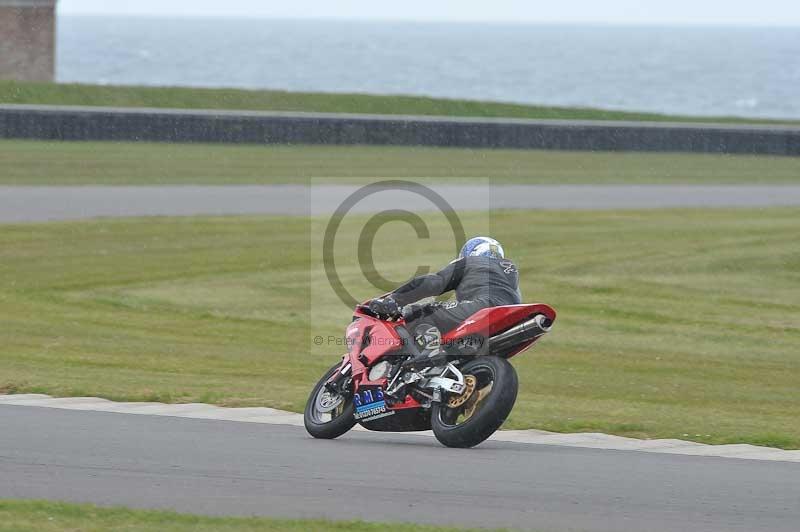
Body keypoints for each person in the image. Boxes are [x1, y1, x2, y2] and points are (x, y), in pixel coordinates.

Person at [368, 236, 521, 367]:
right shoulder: (510, 271)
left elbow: (433, 283)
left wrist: (395, 299)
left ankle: (432, 347)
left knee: (417, 313)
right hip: (512, 316)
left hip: (483, 308)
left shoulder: (470, 262)